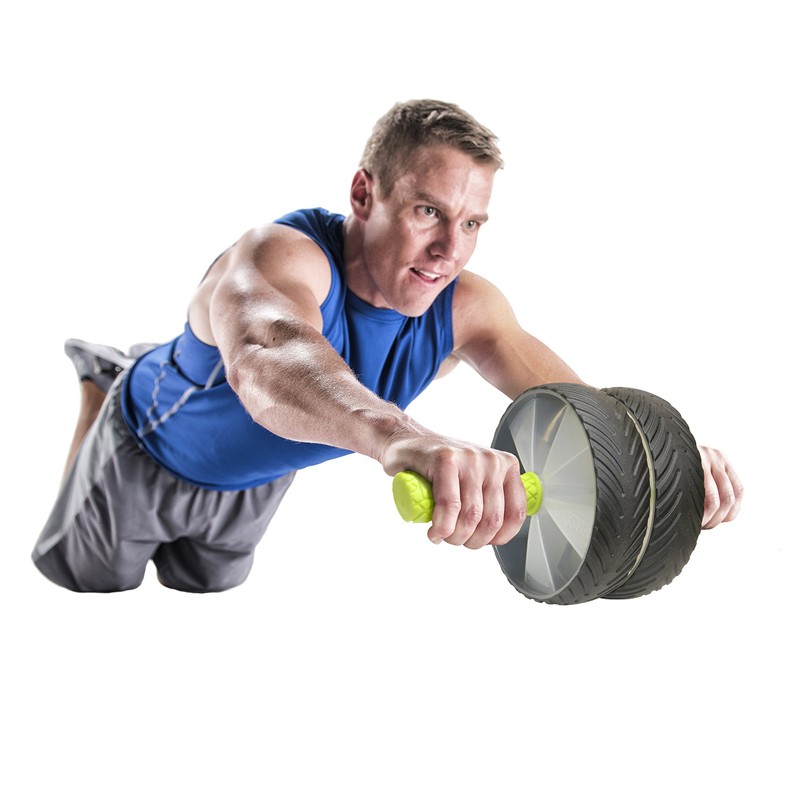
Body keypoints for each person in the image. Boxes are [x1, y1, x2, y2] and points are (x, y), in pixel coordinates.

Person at [33, 99, 744, 593]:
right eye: (429, 211)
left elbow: (588, 424)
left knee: (203, 592)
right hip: (148, 447)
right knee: (90, 587)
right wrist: (406, 440)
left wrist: (665, 466)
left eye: (473, 224)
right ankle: (106, 381)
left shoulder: (467, 307)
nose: (449, 249)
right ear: (363, 194)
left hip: (258, 479)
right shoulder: (280, 256)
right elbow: (267, 357)